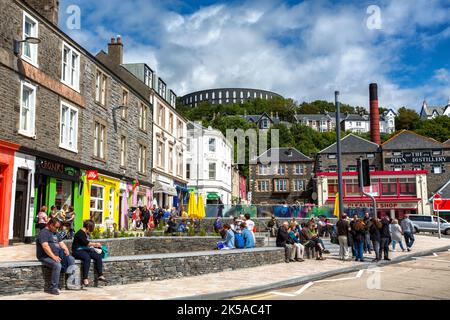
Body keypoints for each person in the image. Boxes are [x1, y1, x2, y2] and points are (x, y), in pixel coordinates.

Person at [36, 218, 76, 295]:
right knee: (57, 265)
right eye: (56, 227)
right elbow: (45, 247)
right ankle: (53, 288)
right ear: (51, 225)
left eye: (58, 227)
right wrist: (54, 256)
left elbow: (61, 243)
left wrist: (66, 249)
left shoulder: (56, 233)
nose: (57, 229)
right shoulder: (43, 233)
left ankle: (70, 283)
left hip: (57, 254)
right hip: (45, 256)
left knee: (71, 259)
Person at [72, 220, 108, 287]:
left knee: (97, 256)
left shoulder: (85, 233)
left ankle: (100, 275)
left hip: (84, 250)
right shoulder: (80, 233)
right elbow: (88, 243)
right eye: (91, 229)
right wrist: (96, 244)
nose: (91, 231)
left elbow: (86, 244)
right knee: (87, 258)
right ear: (88, 227)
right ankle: (85, 278)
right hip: (77, 251)